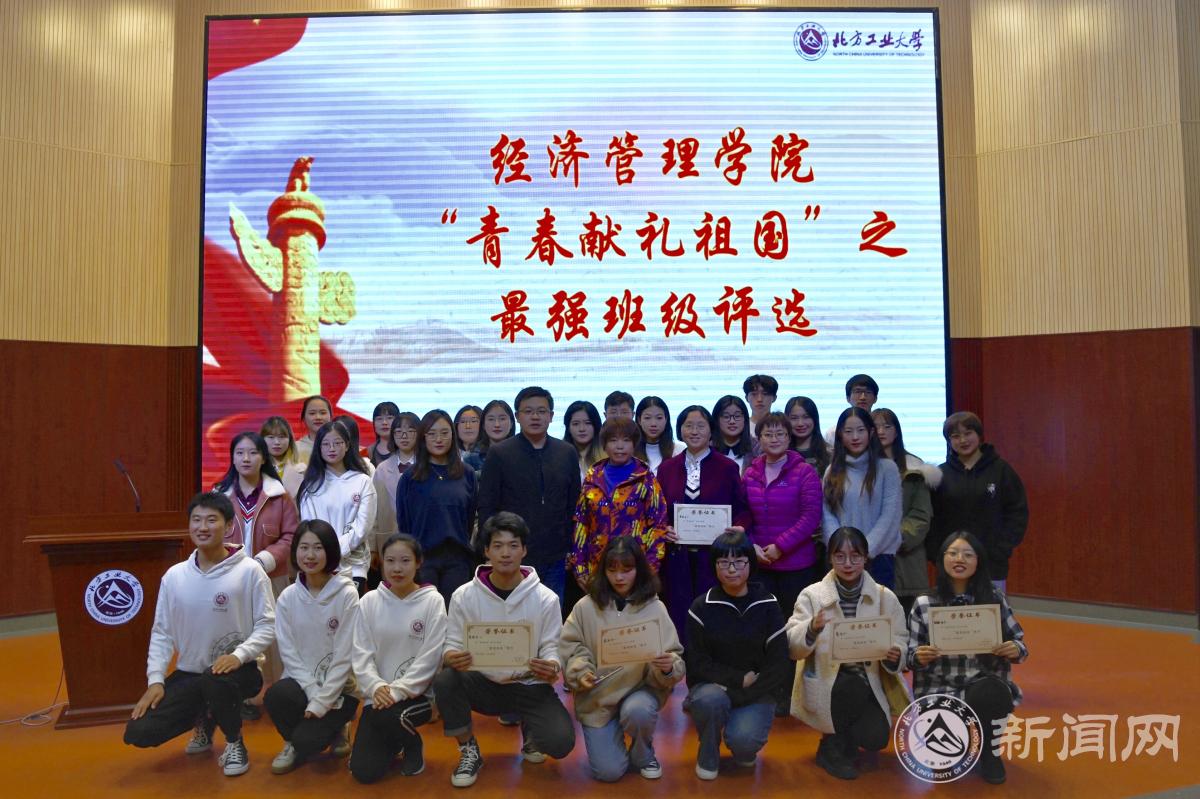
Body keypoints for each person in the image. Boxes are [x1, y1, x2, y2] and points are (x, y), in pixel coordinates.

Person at [124, 492, 275, 777]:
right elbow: (162, 632)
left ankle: (234, 742)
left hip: (239, 671)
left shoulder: (249, 571)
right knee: (140, 731)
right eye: (196, 520)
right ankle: (205, 717)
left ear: (228, 526)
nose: (202, 527)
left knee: (216, 681)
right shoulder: (174, 576)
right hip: (191, 673)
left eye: (211, 520)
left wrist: (239, 655)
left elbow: (268, 624)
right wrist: (156, 680)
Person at [432, 512, 576, 788]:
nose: (506, 553)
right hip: (483, 684)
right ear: (486, 551)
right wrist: (451, 656)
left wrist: (551, 665)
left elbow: (552, 646)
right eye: (497, 546)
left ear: (524, 550)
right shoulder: (464, 595)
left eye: (513, 545)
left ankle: (532, 731)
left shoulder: (545, 598)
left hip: (529, 684)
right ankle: (469, 750)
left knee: (560, 742)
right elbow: (452, 642)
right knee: (446, 680)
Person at [786, 526, 909, 781]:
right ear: (830, 558)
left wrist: (896, 654)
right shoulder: (812, 595)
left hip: (869, 682)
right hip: (827, 682)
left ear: (866, 557)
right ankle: (831, 747)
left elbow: (900, 638)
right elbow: (792, 646)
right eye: (840, 556)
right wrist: (812, 628)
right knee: (851, 686)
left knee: (876, 738)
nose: (848, 563)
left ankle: (845, 739)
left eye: (855, 556)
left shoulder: (885, 597)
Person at [560, 537, 685, 782]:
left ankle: (643, 753)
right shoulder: (585, 607)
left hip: (640, 691)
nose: (619, 577)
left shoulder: (655, 607)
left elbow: (674, 656)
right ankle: (613, 741)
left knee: (638, 711)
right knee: (608, 772)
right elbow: (571, 647)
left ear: (639, 570)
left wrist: (668, 668)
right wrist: (580, 672)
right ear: (603, 570)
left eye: (627, 570)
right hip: (598, 697)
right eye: (612, 570)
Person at [909, 532, 1028, 785]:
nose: (959, 559)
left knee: (992, 692)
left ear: (978, 561)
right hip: (938, 689)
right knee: (944, 763)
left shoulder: (993, 599)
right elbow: (909, 656)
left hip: (981, 684)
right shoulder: (924, 603)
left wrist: (1015, 649)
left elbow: (1019, 642)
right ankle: (954, 747)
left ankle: (989, 752)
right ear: (942, 560)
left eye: (967, 554)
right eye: (952, 553)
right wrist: (918, 656)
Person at [683, 530, 788, 780]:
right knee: (710, 700)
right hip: (714, 687)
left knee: (744, 742)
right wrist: (737, 680)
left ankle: (744, 745)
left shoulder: (768, 604)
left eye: (739, 562)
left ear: (751, 563)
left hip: (756, 690)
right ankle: (708, 750)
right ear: (714, 566)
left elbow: (778, 664)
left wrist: (744, 693)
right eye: (723, 562)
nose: (732, 569)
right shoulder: (701, 606)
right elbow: (697, 663)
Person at [349, 533, 448, 784]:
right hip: (378, 697)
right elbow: (361, 653)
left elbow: (430, 658)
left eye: (405, 561)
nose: (397, 568)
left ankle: (412, 745)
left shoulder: (433, 601)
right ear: (381, 563)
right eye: (390, 561)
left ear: (418, 562)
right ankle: (395, 741)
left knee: (390, 717)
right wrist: (376, 686)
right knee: (363, 772)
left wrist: (396, 691)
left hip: (417, 697)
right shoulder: (369, 601)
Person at [263, 520, 360, 774]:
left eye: (318, 548)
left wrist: (323, 700)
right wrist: (312, 691)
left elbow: (345, 656)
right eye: (304, 547)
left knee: (310, 742)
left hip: (340, 690)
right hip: (301, 684)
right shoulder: (287, 597)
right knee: (276, 696)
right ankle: (291, 743)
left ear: (330, 551)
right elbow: (288, 653)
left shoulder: (347, 594)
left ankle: (339, 728)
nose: (310, 555)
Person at [742, 412, 822, 715]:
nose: (774, 439)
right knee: (763, 630)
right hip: (760, 565)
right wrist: (752, 546)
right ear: (759, 439)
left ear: (789, 438)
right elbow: (743, 515)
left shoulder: (805, 472)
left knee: (792, 629)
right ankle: (767, 689)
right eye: (768, 434)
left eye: (780, 434)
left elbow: (810, 517)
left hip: (796, 566)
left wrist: (780, 546)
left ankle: (790, 691)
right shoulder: (750, 473)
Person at [213, 432, 299, 712]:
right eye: (239, 453)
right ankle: (241, 695)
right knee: (235, 634)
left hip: (271, 577)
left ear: (263, 458)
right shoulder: (218, 496)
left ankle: (279, 694)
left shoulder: (279, 496)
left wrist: (265, 560)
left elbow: (291, 535)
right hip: (229, 580)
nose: (246, 458)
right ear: (232, 458)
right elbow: (210, 535)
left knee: (274, 636)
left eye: (253, 452)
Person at [656, 405, 752, 643]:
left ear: (711, 430)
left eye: (701, 426)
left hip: (714, 557)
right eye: (688, 425)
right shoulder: (667, 468)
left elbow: (742, 510)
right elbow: (658, 511)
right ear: (680, 430)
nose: (694, 431)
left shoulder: (727, 467)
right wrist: (663, 528)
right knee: (678, 614)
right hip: (677, 556)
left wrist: (739, 528)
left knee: (713, 614)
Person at [478, 386, 581, 601]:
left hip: (556, 555)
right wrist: (488, 549)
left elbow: (574, 506)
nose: (535, 417)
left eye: (541, 411)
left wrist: (572, 548)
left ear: (551, 416)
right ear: (517, 416)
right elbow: (487, 506)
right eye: (528, 411)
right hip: (512, 554)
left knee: (551, 612)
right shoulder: (500, 453)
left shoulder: (566, 452)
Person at [929, 412, 1029, 593]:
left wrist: (1001, 549)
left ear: (979, 434)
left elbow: (1017, 513)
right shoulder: (940, 474)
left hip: (992, 563)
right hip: (952, 564)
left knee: (991, 609)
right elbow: (932, 518)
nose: (963, 440)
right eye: (955, 436)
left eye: (968, 433)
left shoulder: (1001, 470)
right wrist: (937, 552)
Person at [570, 418, 670, 591]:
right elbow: (581, 524)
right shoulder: (592, 478)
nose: (620, 446)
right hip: (597, 569)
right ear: (604, 445)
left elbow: (658, 526)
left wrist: (649, 569)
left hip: (634, 570)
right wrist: (579, 568)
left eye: (626, 440)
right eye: (613, 440)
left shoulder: (645, 478)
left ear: (634, 444)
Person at [396, 410, 478, 606]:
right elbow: (404, 523)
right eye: (431, 434)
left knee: (454, 614)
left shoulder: (467, 473)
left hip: (458, 559)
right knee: (423, 616)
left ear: (453, 435)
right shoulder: (410, 477)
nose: (439, 439)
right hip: (422, 560)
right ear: (423, 437)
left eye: (444, 433)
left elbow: (469, 518)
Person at [822, 407, 902, 589]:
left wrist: (862, 552)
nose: (855, 437)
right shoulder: (832, 471)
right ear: (840, 434)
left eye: (861, 430)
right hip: (841, 560)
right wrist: (841, 551)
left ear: (871, 432)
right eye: (848, 431)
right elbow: (827, 515)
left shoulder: (887, 468)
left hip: (879, 557)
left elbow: (890, 516)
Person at [297, 420, 377, 594]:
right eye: (326, 444)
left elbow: (362, 527)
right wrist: (323, 552)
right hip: (318, 563)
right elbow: (309, 525)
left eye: (337, 443)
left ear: (347, 445)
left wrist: (334, 550)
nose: (331, 448)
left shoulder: (362, 481)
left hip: (354, 566)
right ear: (318, 448)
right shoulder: (311, 485)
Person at [873, 408, 940, 615]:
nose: (881, 431)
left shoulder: (915, 470)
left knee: (910, 619)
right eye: (876, 427)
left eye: (887, 426)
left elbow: (920, 516)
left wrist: (894, 537)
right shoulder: (859, 467)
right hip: (870, 556)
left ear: (897, 431)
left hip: (906, 558)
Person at [370, 411, 420, 563]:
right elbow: (374, 511)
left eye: (410, 431)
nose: (404, 436)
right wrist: (372, 547)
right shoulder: (382, 469)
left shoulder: (427, 467)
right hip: (389, 539)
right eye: (398, 432)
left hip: (421, 538)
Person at [785, 396, 830, 480]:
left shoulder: (830, 453)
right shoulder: (780, 453)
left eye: (806, 417)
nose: (800, 423)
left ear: (814, 419)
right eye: (794, 418)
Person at [260, 415, 305, 497]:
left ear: (290, 440)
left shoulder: (302, 470)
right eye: (271, 437)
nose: (277, 442)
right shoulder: (255, 469)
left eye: (281, 437)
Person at [634, 396, 676, 474]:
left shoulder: (679, 450)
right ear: (639, 420)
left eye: (659, 418)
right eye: (647, 418)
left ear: (666, 419)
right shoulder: (629, 452)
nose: (653, 424)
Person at [711, 395, 753, 473]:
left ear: (745, 419)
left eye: (737, 416)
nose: (732, 421)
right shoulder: (706, 449)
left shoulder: (758, 449)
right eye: (726, 416)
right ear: (716, 420)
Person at [563, 399, 604, 480]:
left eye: (588, 423)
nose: (582, 429)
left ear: (596, 425)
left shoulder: (608, 456)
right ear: (568, 428)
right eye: (576, 424)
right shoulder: (559, 455)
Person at [294, 395, 333, 464]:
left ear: (331, 417)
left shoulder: (342, 446)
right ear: (304, 418)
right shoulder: (295, 449)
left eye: (323, 413)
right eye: (312, 413)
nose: (318, 417)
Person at [478, 399, 516, 465]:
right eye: (491, 419)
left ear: (511, 424)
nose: (497, 425)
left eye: (502, 419)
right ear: (483, 425)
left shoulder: (522, 455)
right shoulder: (472, 458)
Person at [368, 402, 400, 466]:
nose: (384, 423)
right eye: (379, 419)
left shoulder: (407, 448)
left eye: (389, 418)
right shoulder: (367, 452)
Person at [455, 405, 484, 471]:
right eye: (463, 422)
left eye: (473, 421)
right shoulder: (450, 455)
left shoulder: (490, 454)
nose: (468, 426)